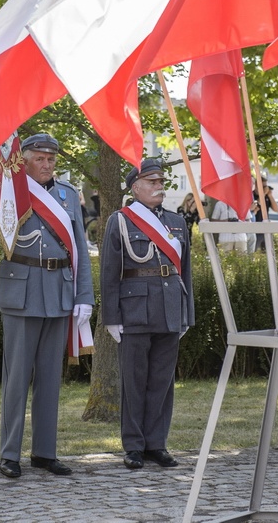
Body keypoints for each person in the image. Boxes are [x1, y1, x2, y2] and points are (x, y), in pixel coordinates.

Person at [0, 133, 94, 479]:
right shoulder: (10, 188)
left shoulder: (67, 195)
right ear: (25, 159)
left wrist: (84, 296)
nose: (47, 164)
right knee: (17, 378)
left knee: (51, 380)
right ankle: (9, 453)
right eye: (39, 158)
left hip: (59, 291)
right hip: (21, 292)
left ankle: (44, 452)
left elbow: (79, 248)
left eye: (51, 159)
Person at [100, 159, 194, 470]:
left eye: (160, 182)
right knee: (135, 380)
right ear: (135, 187)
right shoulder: (121, 221)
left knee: (162, 382)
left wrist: (186, 313)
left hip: (169, 307)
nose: (159, 187)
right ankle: (134, 445)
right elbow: (110, 273)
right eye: (152, 182)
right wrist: (111, 317)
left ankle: (157, 443)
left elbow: (186, 273)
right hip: (135, 309)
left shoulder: (176, 222)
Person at [252, 173, 278, 252]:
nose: (265, 188)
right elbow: (255, 204)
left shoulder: (266, 196)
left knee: (267, 252)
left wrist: (270, 196)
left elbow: (276, 209)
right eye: (263, 186)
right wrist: (263, 193)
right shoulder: (252, 195)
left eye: (265, 186)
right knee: (254, 251)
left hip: (265, 228)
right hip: (255, 228)